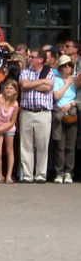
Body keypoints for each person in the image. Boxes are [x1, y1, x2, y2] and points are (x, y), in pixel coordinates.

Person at [18, 48, 56, 183]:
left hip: (43, 113)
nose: (30, 59)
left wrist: (30, 85)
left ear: (40, 59)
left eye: (33, 57)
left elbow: (48, 88)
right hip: (27, 112)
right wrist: (40, 82)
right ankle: (27, 175)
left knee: (42, 145)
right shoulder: (24, 72)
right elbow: (23, 85)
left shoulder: (49, 72)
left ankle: (40, 175)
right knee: (26, 145)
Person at [51, 54, 77, 184]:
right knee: (59, 146)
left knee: (70, 146)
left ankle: (68, 172)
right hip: (59, 114)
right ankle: (59, 172)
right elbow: (56, 95)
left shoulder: (76, 80)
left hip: (71, 113)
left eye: (69, 65)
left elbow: (78, 98)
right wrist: (67, 84)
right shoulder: (56, 80)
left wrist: (71, 104)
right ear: (60, 68)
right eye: (64, 66)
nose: (67, 68)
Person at [0, 78, 20, 183]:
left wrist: (1, 129)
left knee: (9, 150)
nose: (8, 90)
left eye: (11, 88)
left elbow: (12, 122)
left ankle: (9, 176)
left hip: (8, 127)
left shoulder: (15, 104)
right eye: (7, 88)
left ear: (15, 91)